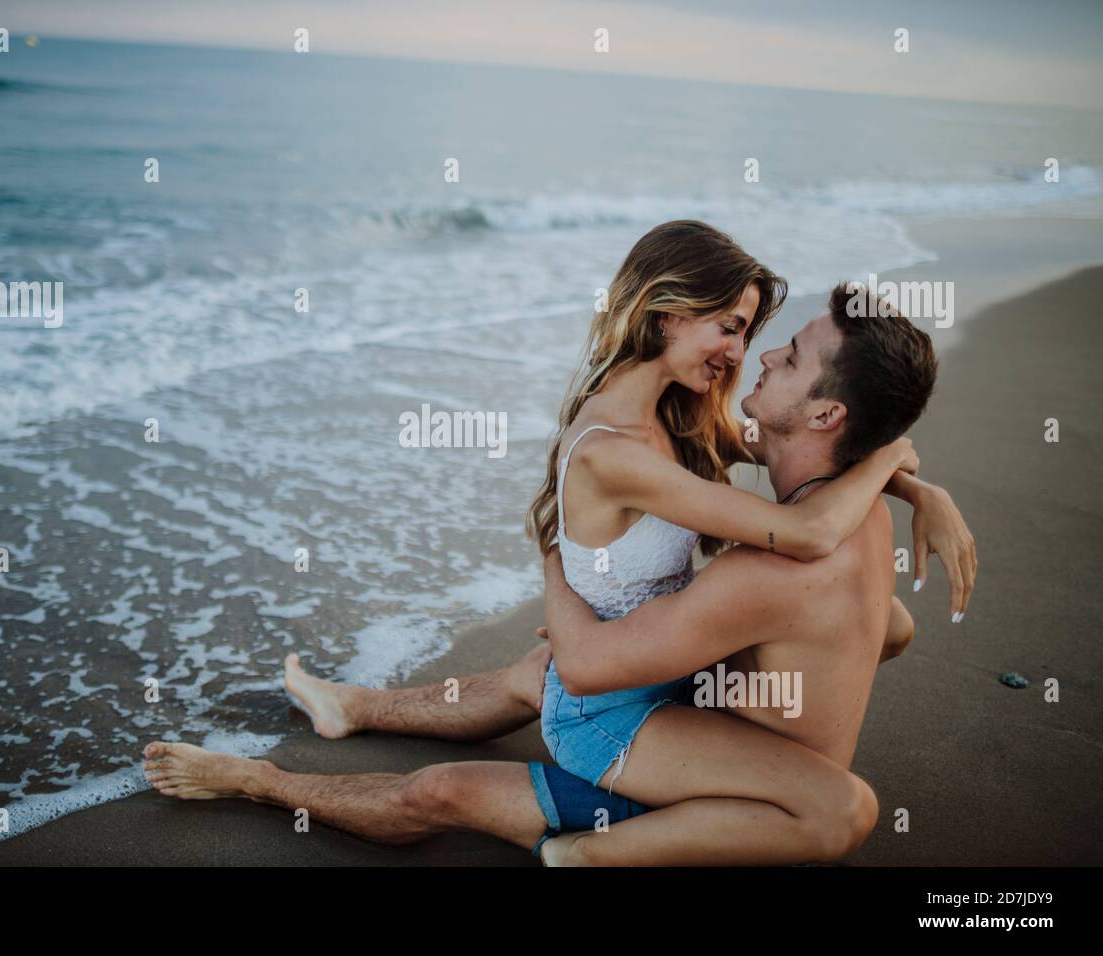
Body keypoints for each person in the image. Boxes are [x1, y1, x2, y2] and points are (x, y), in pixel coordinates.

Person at [143, 282, 976, 865]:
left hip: (692, 793)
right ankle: (353, 706)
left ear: (827, 414)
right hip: (707, 722)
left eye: (787, 358)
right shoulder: (856, 510)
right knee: (539, 669)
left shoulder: (775, 566)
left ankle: (256, 781)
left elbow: (592, 662)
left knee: (440, 793)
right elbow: (890, 624)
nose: (757, 358)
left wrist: (558, 573)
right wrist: (909, 481)